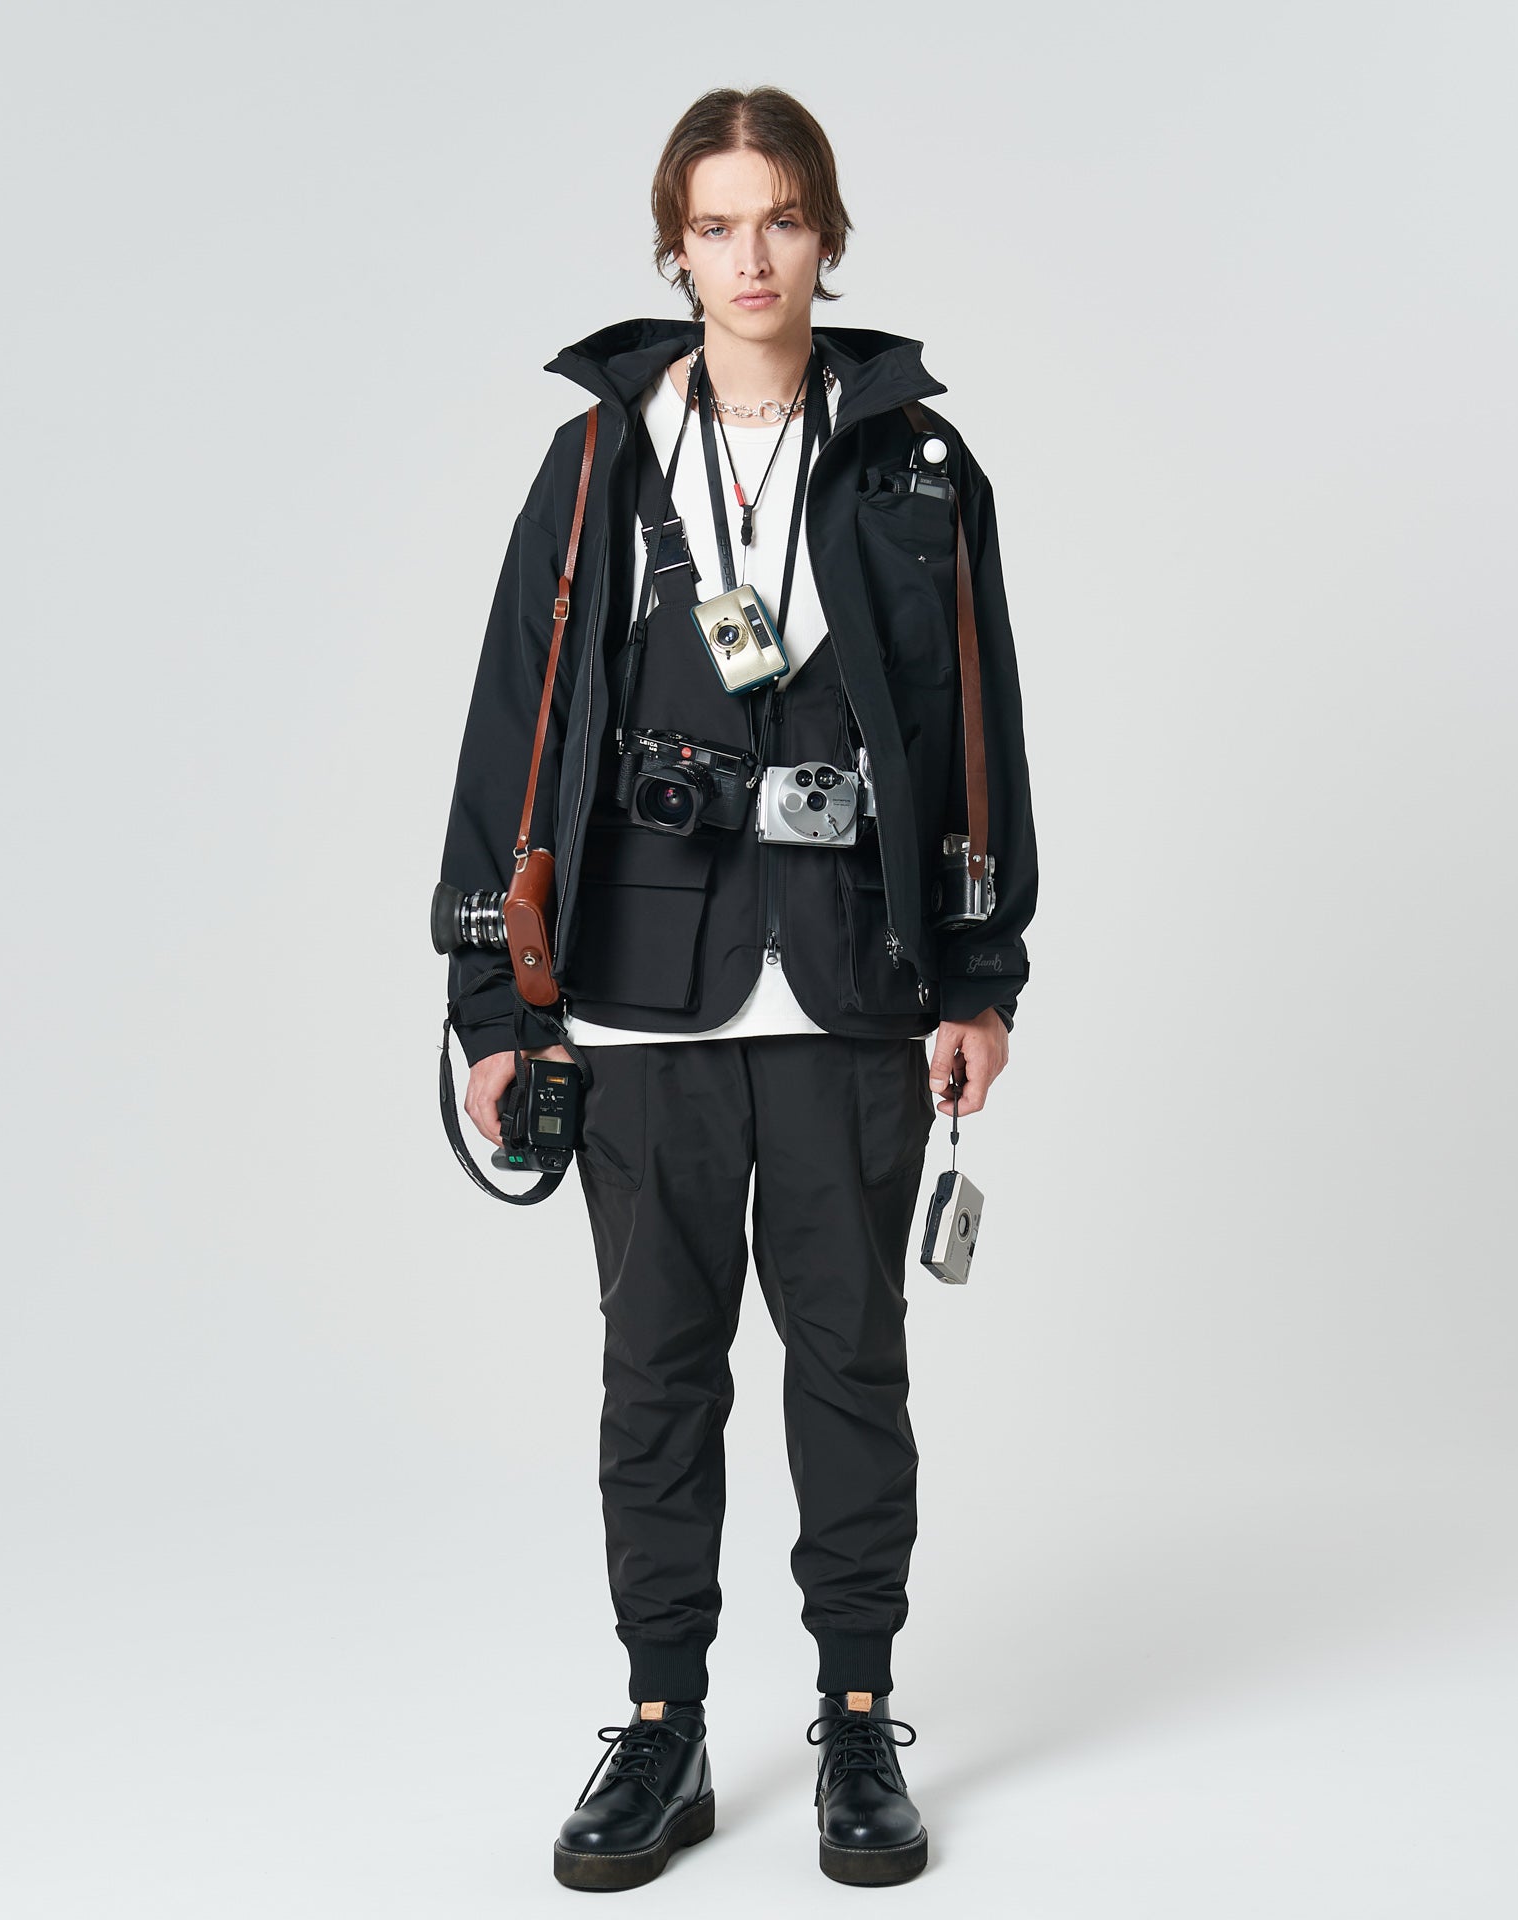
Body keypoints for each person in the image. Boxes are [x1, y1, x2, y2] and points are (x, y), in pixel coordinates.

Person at [437, 85, 1037, 1890]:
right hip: (642, 988)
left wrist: (982, 976)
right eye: (716, 224)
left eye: (780, 217)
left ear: (826, 235)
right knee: (657, 1375)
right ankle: (663, 1722)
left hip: (852, 981)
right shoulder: (601, 461)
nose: (751, 255)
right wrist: (495, 1006)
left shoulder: (918, 466)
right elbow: (512, 732)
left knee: (852, 1363)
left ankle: (857, 1717)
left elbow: (980, 733)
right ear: (675, 246)